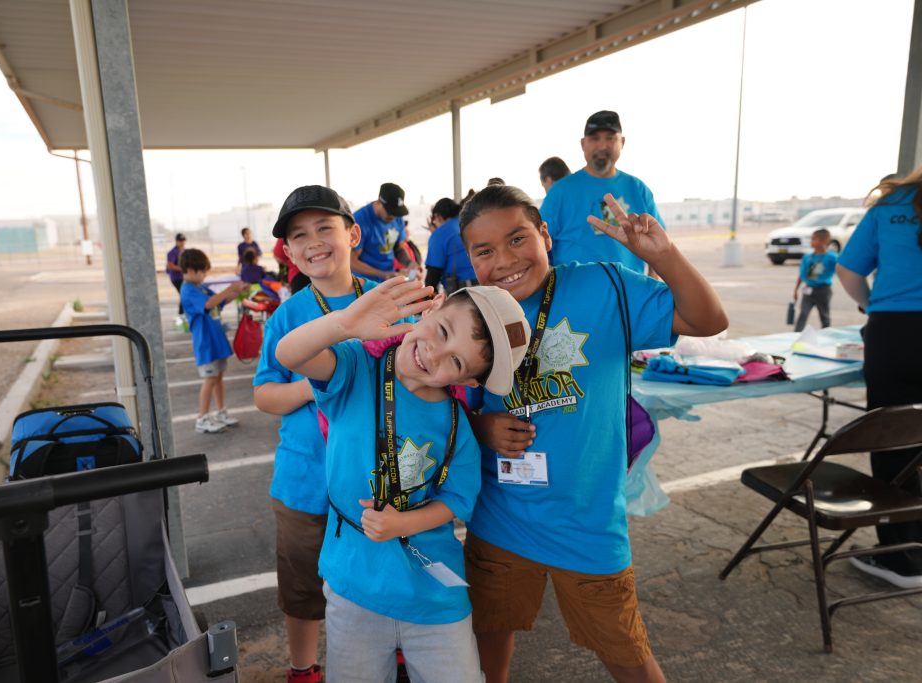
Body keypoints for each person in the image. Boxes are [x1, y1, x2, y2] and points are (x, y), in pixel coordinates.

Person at [459, 184, 727, 683]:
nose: (505, 260)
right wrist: (480, 425)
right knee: (486, 650)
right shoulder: (469, 310)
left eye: (518, 239)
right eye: (485, 251)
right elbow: (433, 404)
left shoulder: (605, 286)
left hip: (588, 523)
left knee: (629, 656)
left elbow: (707, 320)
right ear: (470, 258)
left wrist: (664, 257)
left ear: (545, 234)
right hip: (500, 521)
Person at [275, 275, 531, 683]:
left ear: (465, 382)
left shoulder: (456, 425)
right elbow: (289, 354)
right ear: (431, 309)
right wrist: (345, 324)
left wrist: (403, 523)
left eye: (457, 362)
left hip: (434, 598)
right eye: (443, 330)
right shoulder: (357, 369)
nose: (435, 353)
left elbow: (458, 499)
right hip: (354, 582)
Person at [254, 185, 376, 683]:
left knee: (378, 573)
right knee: (303, 587)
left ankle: (390, 651)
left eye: (325, 228)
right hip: (305, 480)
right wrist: (311, 386)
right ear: (288, 252)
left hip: (377, 478)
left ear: (353, 233)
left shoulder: (390, 298)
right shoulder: (288, 313)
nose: (313, 242)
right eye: (298, 236)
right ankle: (302, 667)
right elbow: (265, 394)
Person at [837, 166, 922, 589]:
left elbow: (849, 271)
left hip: (897, 332)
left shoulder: (892, 204)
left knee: (894, 442)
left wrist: (873, 307)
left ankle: (902, 557)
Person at [541, 110, 665, 274]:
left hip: (631, 294)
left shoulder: (638, 188)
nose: (602, 146)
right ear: (583, 144)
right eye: (594, 138)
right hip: (575, 295)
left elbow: (658, 245)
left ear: (622, 142)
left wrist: (652, 281)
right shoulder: (560, 192)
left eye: (610, 138)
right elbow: (539, 244)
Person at [178, 248, 247, 434]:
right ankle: (202, 418)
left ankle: (221, 411)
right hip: (205, 344)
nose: (204, 275)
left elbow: (220, 302)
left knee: (218, 378)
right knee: (209, 379)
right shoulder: (188, 290)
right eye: (202, 272)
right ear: (191, 270)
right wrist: (230, 288)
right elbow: (209, 304)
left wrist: (237, 292)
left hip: (216, 341)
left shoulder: (200, 287)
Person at [351, 182, 413, 282]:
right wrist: (384, 274)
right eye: (390, 211)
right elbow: (351, 262)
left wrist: (410, 263)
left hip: (388, 278)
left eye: (396, 212)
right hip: (364, 283)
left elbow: (398, 248)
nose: (393, 216)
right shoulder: (360, 220)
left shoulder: (397, 217)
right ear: (379, 201)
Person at [424, 197, 477, 294]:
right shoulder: (469, 224)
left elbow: (432, 276)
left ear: (438, 216)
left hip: (462, 291)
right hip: (485, 284)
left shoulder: (439, 234)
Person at [792, 228, 837, 331]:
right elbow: (801, 274)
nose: (811, 242)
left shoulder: (832, 258)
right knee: (803, 314)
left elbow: (842, 270)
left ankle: (827, 334)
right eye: (812, 239)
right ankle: (796, 335)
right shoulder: (807, 257)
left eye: (814, 239)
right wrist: (796, 290)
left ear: (824, 241)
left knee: (824, 316)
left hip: (823, 290)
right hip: (808, 289)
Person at [165, 233, 187, 316]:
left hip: (184, 277)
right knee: (183, 294)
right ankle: (181, 314)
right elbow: (170, 266)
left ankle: (183, 313)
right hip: (176, 278)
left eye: (183, 240)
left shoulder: (184, 251)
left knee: (184, 295)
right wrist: (183, 268)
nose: (182, 242)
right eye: (180, 240)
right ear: (176, 241)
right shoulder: (172, 252)